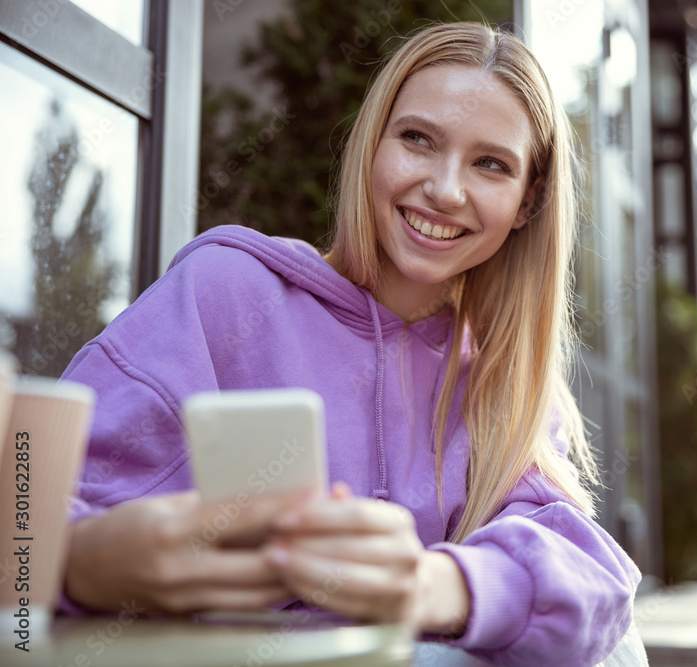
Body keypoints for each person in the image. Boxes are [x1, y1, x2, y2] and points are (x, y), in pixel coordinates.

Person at [59, 21, 642, 666]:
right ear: (374, 146)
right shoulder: (227, 293)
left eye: (490, 164)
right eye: (418, 139)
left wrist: (429, 585)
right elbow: (27, 510)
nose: (446, 190)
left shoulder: (504, 380)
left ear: (527, 202)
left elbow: (590, 579)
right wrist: (81, 561)